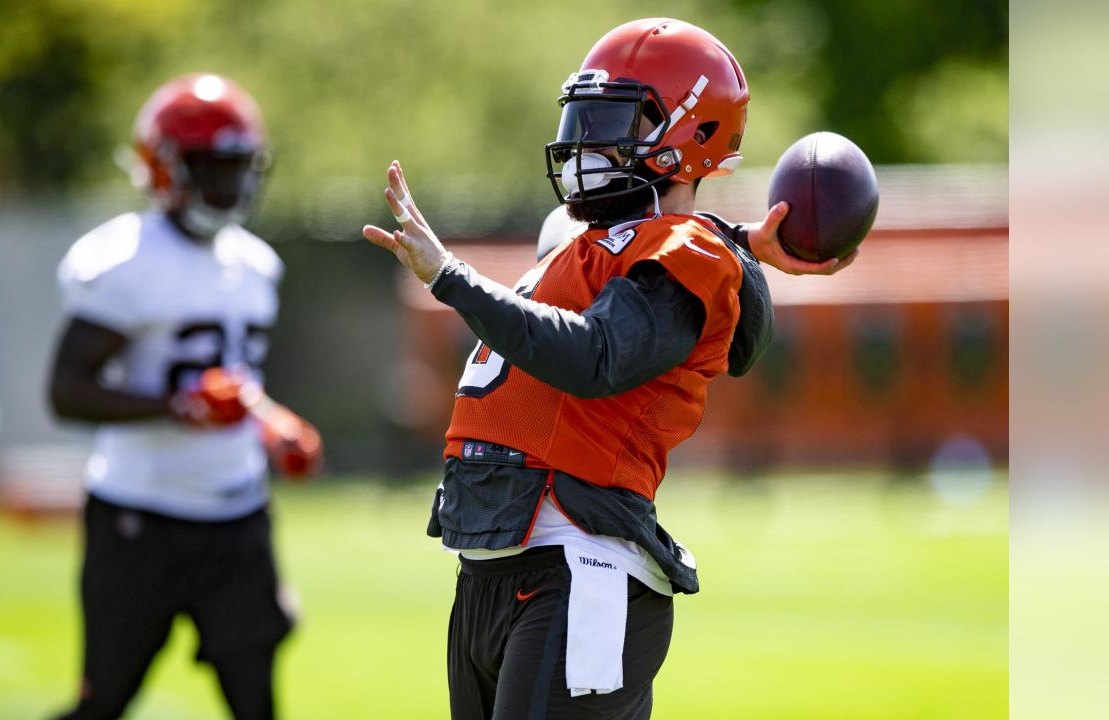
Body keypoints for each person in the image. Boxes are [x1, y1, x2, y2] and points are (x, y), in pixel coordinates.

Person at [362, 18, 854, 720]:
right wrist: (744, 237)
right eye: (582, 119)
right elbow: (654, 240)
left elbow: (594, 354)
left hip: (579, 564)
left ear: (693, 134)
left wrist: (451, 278)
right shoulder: (605, 239)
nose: (586, 144)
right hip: (492, 564)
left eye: (612, 122)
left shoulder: (689, 257)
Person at [46, 73, 323, 720]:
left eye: (237, 167)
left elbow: (236, 382)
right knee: (106, 698)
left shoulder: (256, 265)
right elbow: (66, 392)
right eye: (211, 167)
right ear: (163, 168)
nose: (229, 185)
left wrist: (275, 424)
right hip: (139, 514)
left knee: (255, 697)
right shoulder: (124, 260)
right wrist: (175, 408)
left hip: (236, 514)